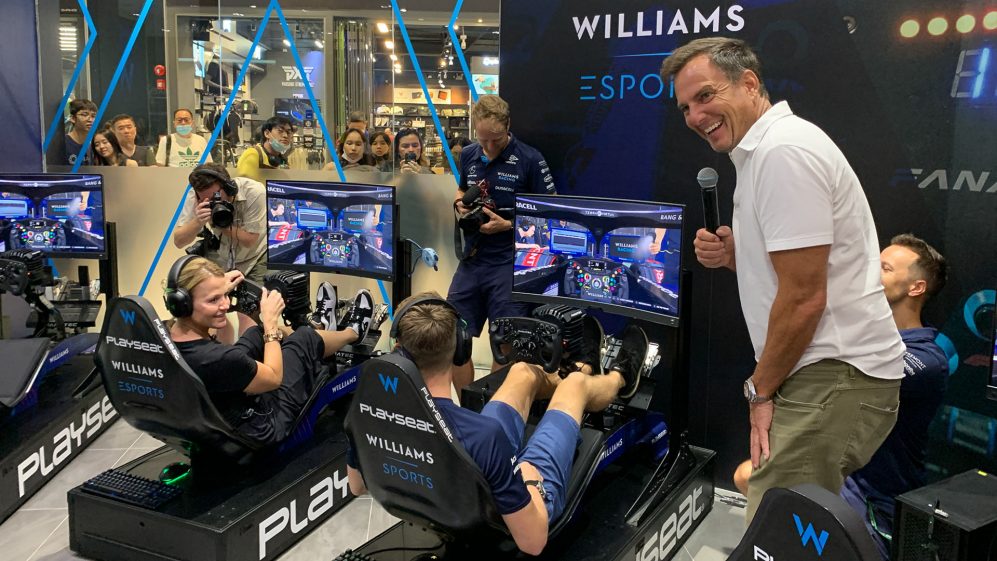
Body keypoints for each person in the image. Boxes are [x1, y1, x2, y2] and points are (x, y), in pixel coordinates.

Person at [663, 37, 905, 522]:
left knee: (777, 530)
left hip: (831, 373)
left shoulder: (782, 152)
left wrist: (760, 391)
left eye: (705, 96)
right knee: (789, 524)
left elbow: (804, 297)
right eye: (686, 107)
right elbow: (801, 274)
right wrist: (738, 255)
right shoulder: (762, 153)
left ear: (749, 83)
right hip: (821, 372)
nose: (694, 116)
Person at [346, 293, 647, 555]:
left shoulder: (365, 410)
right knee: (575, 387)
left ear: (398, 347)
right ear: (461, 348)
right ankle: (619, 377)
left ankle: (583, 366)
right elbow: (533, 542)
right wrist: (529, 481)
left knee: (522, 371)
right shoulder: (483, 436)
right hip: (504, 517)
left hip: (453, 492)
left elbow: (358, 485)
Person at [733, 234, 949, 559]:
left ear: (916, 287)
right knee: (745, 476)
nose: (871, 271)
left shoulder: (928, 359)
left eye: (885, 268)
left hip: (875, 497)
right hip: (835, 469)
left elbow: (870, 368)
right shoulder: (858, 336)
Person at [167, 256, 374, 445]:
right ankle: (352, 333)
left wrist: (216, 286)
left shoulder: (166, 338)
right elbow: (274, 378)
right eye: (213, 300)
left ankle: (321, 327)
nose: (226, 304)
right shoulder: (219, 358)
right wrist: (270, 322)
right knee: (304, 338)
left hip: (223, 416)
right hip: (262, 425)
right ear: (183, 304)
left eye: (225, 295)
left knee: (256, 334)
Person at [447, 94, 557, 389]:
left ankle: (494, 408)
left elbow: (551, 213)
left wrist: (508, 225)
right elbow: (461, 190)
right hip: (472, 259)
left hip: (511, 262)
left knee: (506, 345)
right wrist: (459, 204)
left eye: (495, 140)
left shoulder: (530, 159)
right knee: (454, 337)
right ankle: (465, 407)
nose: (489, 147)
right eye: (483, 139)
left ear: (508, 126)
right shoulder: (469, 154)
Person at [173, 163, 268, 343]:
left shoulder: (254, 192)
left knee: (247, 314)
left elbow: (249, 239)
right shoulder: (196, 197)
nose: (211, 202)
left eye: (215, 196)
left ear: (229, 187)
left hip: (255, 256)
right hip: (220, 255)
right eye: (205, 199)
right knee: (213, 314)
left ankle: (247, 355)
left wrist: (219, 223)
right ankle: (220, 353)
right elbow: (179, 241)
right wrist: (198, 221)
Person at [236, 116, 294, 182]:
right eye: (280, 131)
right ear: (267, 133)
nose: (285, 135)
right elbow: (245, 184)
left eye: (288, 132)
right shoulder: (252, 154)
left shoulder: (282, 160)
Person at [65, 99, 96, 166]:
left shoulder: (92, 145)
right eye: (84, 115)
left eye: (93, 116)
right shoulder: (63, 143)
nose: (90, 120)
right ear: (73, 118)